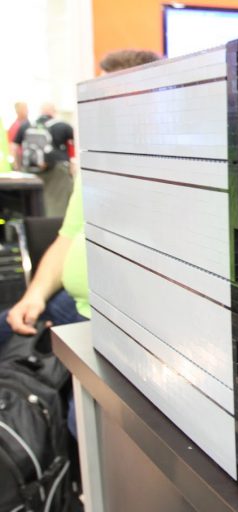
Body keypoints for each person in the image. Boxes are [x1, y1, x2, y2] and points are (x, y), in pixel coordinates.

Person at [1, 49, 161, 435]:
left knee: (87, 425)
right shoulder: (96, 164)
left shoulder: (171, 172)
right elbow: (67, 237)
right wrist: (34, 296)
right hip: (70, 305)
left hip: (116, 322)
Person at [12, 102, 74, 216]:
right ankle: (55, 224)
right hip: (57, 170)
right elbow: (75, 144)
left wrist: (18, 166)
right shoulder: (63, 126)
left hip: (31, 170)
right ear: (54, 111)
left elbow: (14, 146)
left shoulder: (26, 125)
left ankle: (36, 224)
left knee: (34, 203)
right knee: (57, 202)